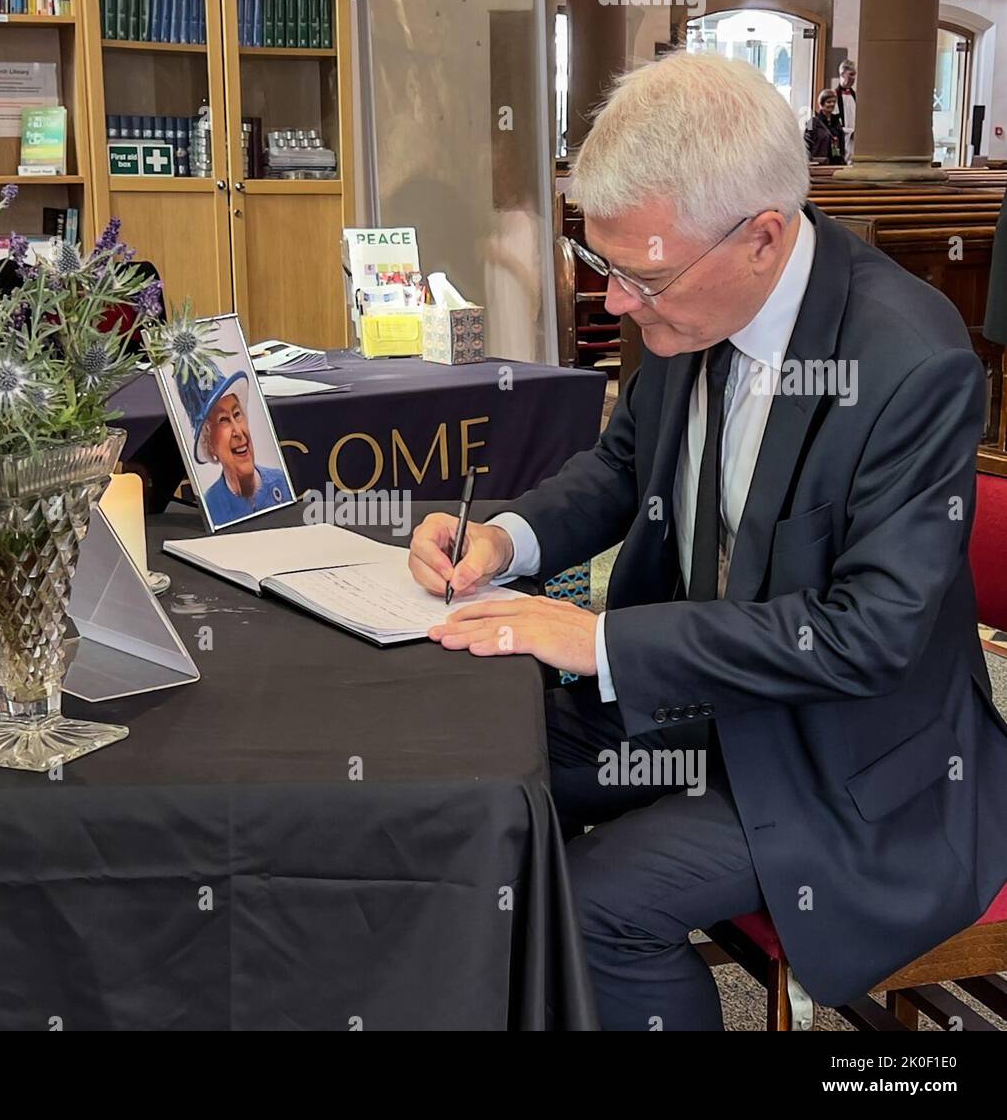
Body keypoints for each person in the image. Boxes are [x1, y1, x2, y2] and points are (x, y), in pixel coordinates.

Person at [408, 53, 1007, 1030]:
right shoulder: (695, 303)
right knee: (473, 764)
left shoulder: (909, 361)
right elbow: (622, 468)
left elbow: (867, 637)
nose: (615, 303)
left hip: (848, 761)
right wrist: (503, 542)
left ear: (763, 236)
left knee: (594, 907)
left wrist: (597, 640)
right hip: (703, 701)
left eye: (639, 276)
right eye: (604, 266)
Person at [174, 360, 291, 526]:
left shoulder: (281, 482)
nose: (238, 432)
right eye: (223, 420)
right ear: (209, 443)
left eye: (237, 414)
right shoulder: (212, 506)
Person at [804, 89, 846, 165]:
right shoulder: (811, 122)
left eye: (834, 102)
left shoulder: (837, 122)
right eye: (829, 102)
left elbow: (842, 143)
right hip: (819, 163)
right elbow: (806, 144)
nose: (832, 104)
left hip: (836, 163)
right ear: (821, 104)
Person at [835, 59, 858, 163]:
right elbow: (834, 123)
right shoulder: (834, 96)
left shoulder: (856, 95)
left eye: (854, 75)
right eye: (851, 74)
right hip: (843, 139)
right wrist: (850, 132)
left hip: (856, 140)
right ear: (842, 74)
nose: (854, 78)